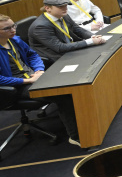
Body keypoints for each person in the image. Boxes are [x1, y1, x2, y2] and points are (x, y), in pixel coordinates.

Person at [0, 14, 81, 146]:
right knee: (63, 96)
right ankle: (75, 136)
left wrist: (39, 70)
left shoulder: (15, 40)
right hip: (15, 88)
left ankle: (82, 123)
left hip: (33, 76)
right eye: (7, 28)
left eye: (14, 26)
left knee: (72, 83)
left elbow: (32, 55)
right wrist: (27, 82)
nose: (13, 30)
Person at [28, 0, 106, 64]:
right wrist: (90, 42)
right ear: (48, 8)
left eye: (66, 5)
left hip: (70, 49)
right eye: (60, 7)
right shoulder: (40, 26)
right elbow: (59, 47)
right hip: (56, 58)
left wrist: (93, 36)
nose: (65, 8)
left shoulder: (64, 15)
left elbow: (77, 29)